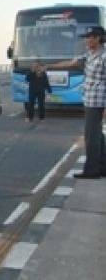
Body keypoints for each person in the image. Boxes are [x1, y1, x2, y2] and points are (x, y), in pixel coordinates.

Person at [48, 26, 106, 179]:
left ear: (99, 38)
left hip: (98, 102)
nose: (87, 40)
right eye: (87, 37)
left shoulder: (104, 56)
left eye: (91, 37)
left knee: (91, 136)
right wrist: (49, 66)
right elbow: (72, 63)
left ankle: (92, 171)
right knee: (97, 135)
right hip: (90, 99)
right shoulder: (90, 54)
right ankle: (102, 167)